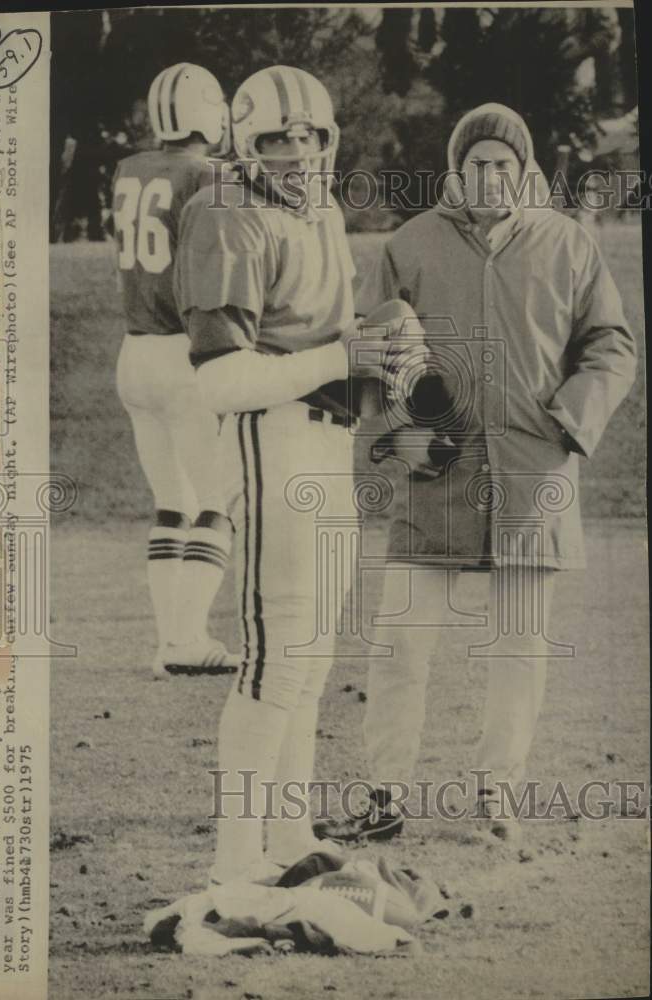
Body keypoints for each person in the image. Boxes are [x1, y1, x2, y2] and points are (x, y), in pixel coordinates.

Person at [318, 102, 637, 844]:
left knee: (518, 645)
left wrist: (568, 421)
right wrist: (397, 433)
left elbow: (611, 346)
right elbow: (373, 352)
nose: (490, 175)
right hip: (436, 469)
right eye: (475, 163)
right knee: (399, 643)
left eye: (503, 163)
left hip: (534, 468)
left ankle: (499, 796)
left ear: (524, 170)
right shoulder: (410, 245)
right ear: (454, 172)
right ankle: (384, 795)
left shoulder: (568, 244)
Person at [174, 65, 422, 884]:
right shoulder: (223, 213)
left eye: (307, 136)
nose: (294, 151)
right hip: (266, 435)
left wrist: (388, 343)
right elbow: (219, 378)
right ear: (245, 145)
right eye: (275, 138)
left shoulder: (318, 209)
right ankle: (233, 862)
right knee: (275, 655)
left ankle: (284, 838)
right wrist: (342, 352)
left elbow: (332, 339)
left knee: (311, 656)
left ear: (328, 140)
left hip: (326, 437)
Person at [112, 63, 239, 676]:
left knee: (172, 505)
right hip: (180, 351)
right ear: (205, 111)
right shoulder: (207, 175)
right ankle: (186, 640)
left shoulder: (128, 168)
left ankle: (170, 642)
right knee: (219, 504)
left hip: (133, 350)